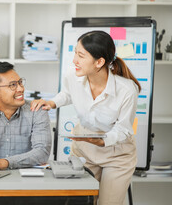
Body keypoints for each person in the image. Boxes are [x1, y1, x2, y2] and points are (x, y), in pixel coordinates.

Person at [31, 30, 141, 205]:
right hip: (84, 148)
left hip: (116, 154)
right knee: (80, 201)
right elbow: (67, 93)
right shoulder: (73, 74)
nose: (74, 60)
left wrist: (103, 141)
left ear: (99, 62)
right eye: (75, 52)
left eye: (80, 55)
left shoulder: (126, 90)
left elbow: (124, 129)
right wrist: (52, 103)